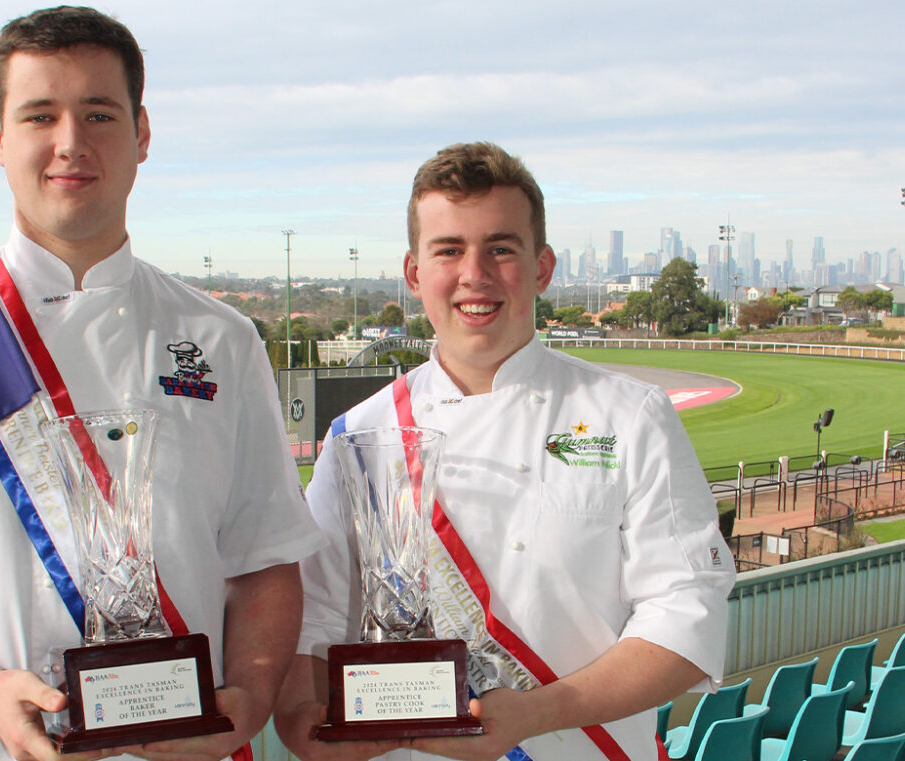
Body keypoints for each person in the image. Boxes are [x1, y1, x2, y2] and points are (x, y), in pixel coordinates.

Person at [0, 7, 323, 761]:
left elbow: (267, 558)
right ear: (0, 137)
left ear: (143, 134)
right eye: (40, 114)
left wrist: (247, 695)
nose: (70, 143)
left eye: (99, 113)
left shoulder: (221, 338)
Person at [273, 142, 736, 761]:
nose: (475, 274)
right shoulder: (360, 437)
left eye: (500, 248)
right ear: (414, 274)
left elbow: (689, 615)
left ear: (541, 266)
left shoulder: (629, 416)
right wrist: (308, 730)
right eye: (449, 250)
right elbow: (314, 624)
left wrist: (539, 712)